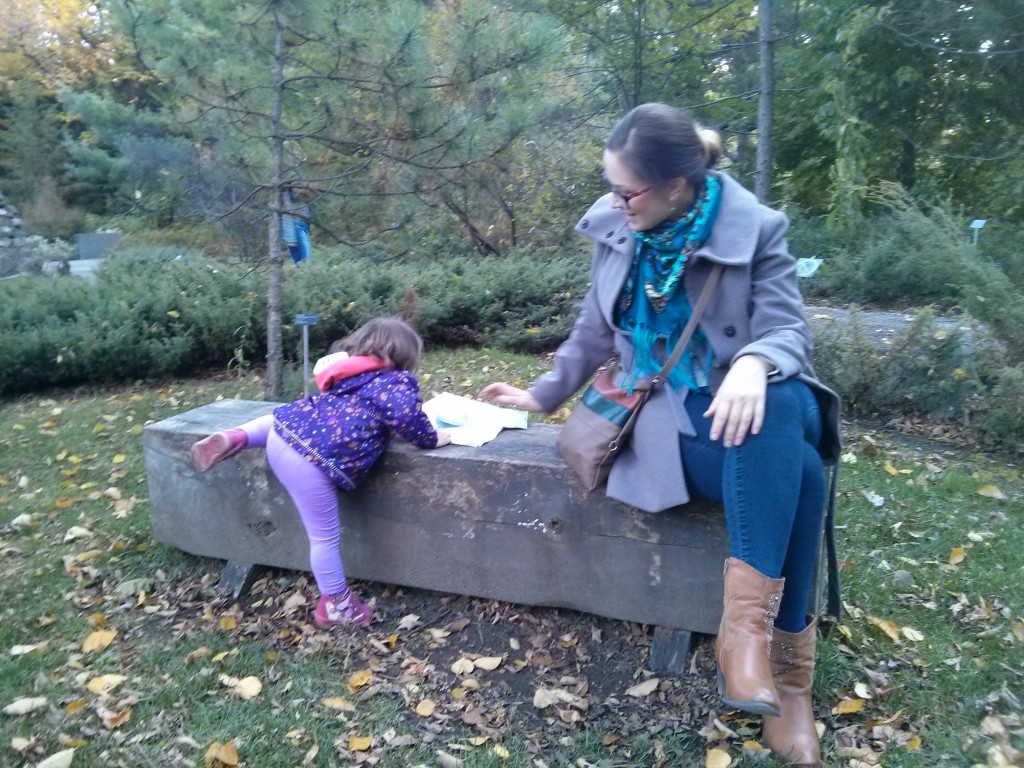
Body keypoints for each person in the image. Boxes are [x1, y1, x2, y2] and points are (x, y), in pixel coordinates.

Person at [479, 103, 840, 766]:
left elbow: (789, 329)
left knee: (781, 402)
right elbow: (593, 331)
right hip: (670, 413)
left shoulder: (756, 230)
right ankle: (790, 687)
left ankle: (745, 641)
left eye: (628, 192)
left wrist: (754, 364)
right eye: (612, 189)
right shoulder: (618, 230)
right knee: (806, 474)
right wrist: (540, 395)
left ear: (676, 185)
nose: (616, 204)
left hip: (758, 405)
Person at [190, 316, 451, 629]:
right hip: (310, 463)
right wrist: (431, 438)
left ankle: (238, 437)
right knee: (323, 537)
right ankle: (336, 604)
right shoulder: (394, 382)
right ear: (406, 357)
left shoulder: (348, 372)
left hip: (281, 435)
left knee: (291, 416)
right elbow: (406, 416)